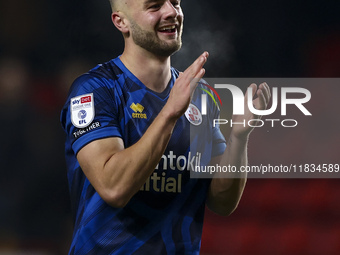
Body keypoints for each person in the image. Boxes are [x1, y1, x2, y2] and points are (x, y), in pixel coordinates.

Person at [60, 0, 271, 254]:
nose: (172, 12)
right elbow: (113, 188)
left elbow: (222, 201)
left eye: (176, 3)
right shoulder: (95, 90)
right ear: (121, 22)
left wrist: (239, 136)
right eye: (154, 6)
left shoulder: (200, 97)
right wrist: (170, 112)